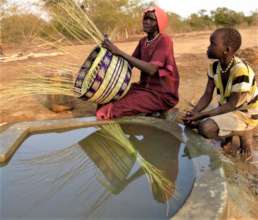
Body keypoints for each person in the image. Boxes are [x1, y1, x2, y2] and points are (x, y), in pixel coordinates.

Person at [183, 27, 258, 157]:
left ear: (226, 50)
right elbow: (207, 95)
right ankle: (230, 133)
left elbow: (232, 105)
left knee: (205, 128)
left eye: (212, 44)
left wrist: (201, 116)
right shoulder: (214, 67)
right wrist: (194, 112)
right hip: (227, 108)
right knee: (191, 121)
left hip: (245, 114)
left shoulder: (240, 70)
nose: (208, 47)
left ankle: (244, 132)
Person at [96, 6, 179, 120]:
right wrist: (109, 51)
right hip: (143, 88)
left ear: (159, 23)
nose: (146, 21)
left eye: (151, 19)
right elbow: (128, 64)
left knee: (112, 109)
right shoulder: (143, 42)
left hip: (161, 94)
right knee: (107, 98)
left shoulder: (164, 40)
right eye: (145, 18)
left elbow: (151, 69)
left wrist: (119, 52)